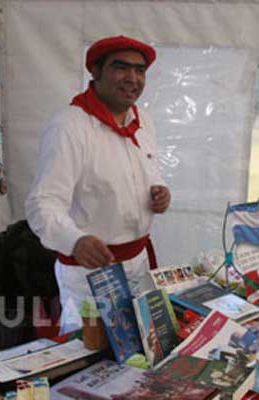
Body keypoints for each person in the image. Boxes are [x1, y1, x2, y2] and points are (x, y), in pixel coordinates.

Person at [25, 35, 171, 333]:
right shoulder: (69, 127)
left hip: (138, 263)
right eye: (121, 67)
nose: (133, 78)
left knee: (141, 347)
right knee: (88, 356)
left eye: (140, 70)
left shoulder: (143, 121)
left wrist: (158, 190)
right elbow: (43, 203)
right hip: (91, 274)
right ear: (95, 72)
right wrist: (75, 240)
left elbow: (148, 169)